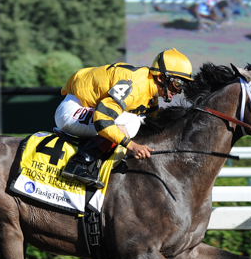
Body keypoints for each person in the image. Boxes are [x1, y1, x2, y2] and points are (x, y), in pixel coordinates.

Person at [56, 48, 193, 188]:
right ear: (161, 78)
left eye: (183, 85)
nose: (179, 90)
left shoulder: (151, 91)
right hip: (72, 110)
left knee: (140, 120)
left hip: (89, 107)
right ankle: (79, 163)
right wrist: (132, 146)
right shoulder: (135, 86)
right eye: (178, 83)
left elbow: (152, 123)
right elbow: (103, 119)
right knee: (132, 121)